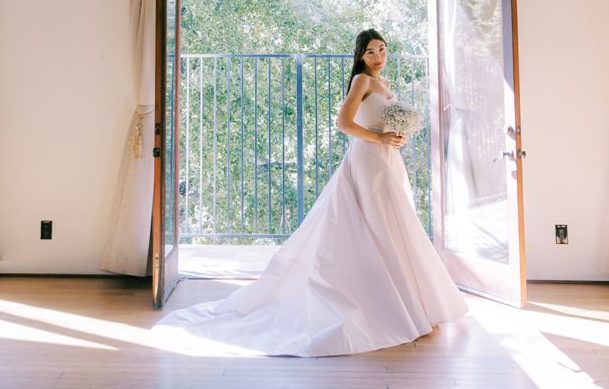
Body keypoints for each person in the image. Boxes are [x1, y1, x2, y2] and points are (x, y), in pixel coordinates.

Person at [155, 29, 468, 356]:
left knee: (395, 226)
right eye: (372, 51)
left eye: (383, 50)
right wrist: (379, 140)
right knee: (378, 226)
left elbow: (380, 125)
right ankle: (398, 311)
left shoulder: (386, 85)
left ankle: (412, 306)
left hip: (387, 160)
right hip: (368, 161)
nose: (379, 56)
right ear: (361, 56)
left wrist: (396, 137)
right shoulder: (361, 81)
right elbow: (343, 124)